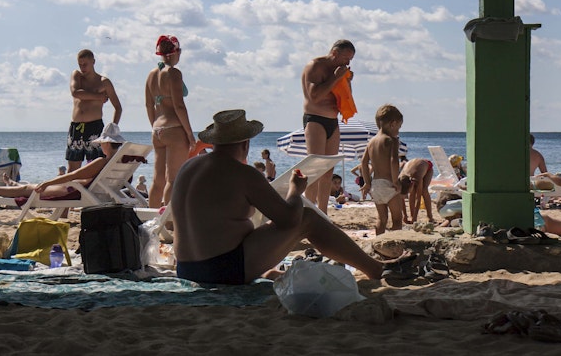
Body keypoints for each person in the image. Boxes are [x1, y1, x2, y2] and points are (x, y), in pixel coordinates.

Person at [171, 109, 408, 285]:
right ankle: (375, 269)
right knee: (307, 218)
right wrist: (296, 190)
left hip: (186, 269)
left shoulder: (188, 167)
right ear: (245, 143)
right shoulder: (242, 173)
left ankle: (269, 273)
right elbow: (289, 220)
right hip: (221, 270)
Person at [0, 124, 126, 201]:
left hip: (73, 190)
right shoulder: (119, 162)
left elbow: (74, 175)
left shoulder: (102, 161)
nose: (100, 145)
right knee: (28, 187)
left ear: (106, 143)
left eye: (102, 143)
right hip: (82, 189)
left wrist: (47, 182)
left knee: (26, 189)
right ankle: (11, 183)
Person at [301, 39, 356, 214]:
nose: (347, 63)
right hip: (315, 119)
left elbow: (346, 97)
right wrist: (336, 77)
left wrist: (347, 81)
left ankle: (323, 214)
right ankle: (309, 213)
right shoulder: (316, 66)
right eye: (345, 58)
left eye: (350, 59)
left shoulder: (339, 71)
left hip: (333, 121)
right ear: (334, 53)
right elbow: (314, 96)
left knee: (327, 173)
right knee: (314, 171)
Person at [145, 35, 196, 208]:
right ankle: (167, 219)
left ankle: (151, 219)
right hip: (174, 128)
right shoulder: (173, 73)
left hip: (157, 129)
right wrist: (190, 134)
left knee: (157, 180)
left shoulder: (151, 75)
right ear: (176, 52)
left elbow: (149, 105)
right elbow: (179, 106)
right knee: (173, 180)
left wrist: (154, 126)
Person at [66, 49, 123, 173]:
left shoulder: (104, 82)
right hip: (76, 126)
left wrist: (111, 130)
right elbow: (75, 93)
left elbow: (118, 107)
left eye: (85, 64)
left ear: (93, 62)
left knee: (95, 167)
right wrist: (98, 97)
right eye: (80, 64)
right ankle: (70, 186)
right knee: (72, 168)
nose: (82, 67)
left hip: (94, 126)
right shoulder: (77, 75)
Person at [360, 104, 405, 235]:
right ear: (393, 124)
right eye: (399, 127)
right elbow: (394, 161)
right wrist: (396, 181)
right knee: (397, 219)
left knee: (382, 218)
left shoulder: (371, 142)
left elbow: (363, 163)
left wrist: (367, 182)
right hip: (389, 184)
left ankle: (378, 241)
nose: (398, 131)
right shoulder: (392, 140)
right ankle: (394, 243)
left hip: (376, 186)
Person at [400, 158, 435, 224]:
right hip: (413, 167)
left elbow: (418, 199)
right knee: (412, 193)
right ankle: (412, 215)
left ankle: (430, 216)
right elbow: (401, 198)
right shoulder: (400, 179)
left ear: (412, 184)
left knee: (424, 191)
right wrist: (405, 216)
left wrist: (415, 218)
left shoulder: (418, 177)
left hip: (427, 166)